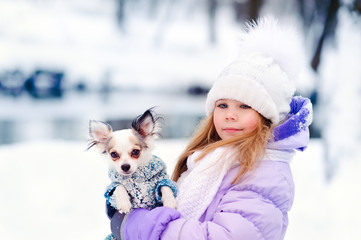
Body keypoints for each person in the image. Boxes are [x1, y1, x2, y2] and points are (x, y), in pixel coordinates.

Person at [106, 16, 313, 240]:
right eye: (222, 105)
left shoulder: (264, 171)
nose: (230, 115)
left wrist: (139, 224)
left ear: (267, 117)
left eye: (245, 106)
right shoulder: (211, 158)